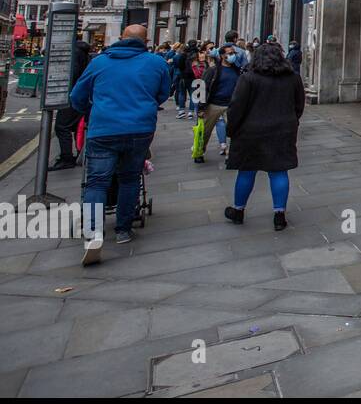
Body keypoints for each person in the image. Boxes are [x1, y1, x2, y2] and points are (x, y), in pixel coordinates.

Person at [68, 24, 171, 264]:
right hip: (140, 129)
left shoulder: (100, 63)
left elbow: (76, 97)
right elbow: (163, 93)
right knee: (130, 178)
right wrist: (144, 107)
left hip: (103, 129)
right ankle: (123, 229)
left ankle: (93, 232)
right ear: (146, 40)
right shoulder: (156, 63)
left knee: (96, 182)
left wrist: (93, 111)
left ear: (121, 38)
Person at [222, 41, 305, 231]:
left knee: (247, 171)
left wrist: (231, 129)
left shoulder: (249, 78)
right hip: (282, 131)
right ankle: (279, 215)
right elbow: (299, 105)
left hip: (251, 132)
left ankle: (238, 210)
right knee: (279, 171)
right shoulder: (292, 78)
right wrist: (291, 121)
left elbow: (236, 107)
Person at [51, 33, 92, 172]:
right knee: (76, 127)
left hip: (73, 94)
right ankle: (79, 154)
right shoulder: (82, 51)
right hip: (82, 94)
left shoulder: (73, 52)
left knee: (62, 126)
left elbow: (71, 74)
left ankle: (66, 158)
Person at [195, 46, 241, 163]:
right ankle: (199, 152)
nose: (232, 55)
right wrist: (201, 107)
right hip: (213, 104)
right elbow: (202, 87)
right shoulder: (213, 70)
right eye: (229, 53)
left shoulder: (237, 70)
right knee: (205, 131)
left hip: (231, 105)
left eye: (233, 53)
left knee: (234, 131)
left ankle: (230, 155)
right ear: (222, 56)